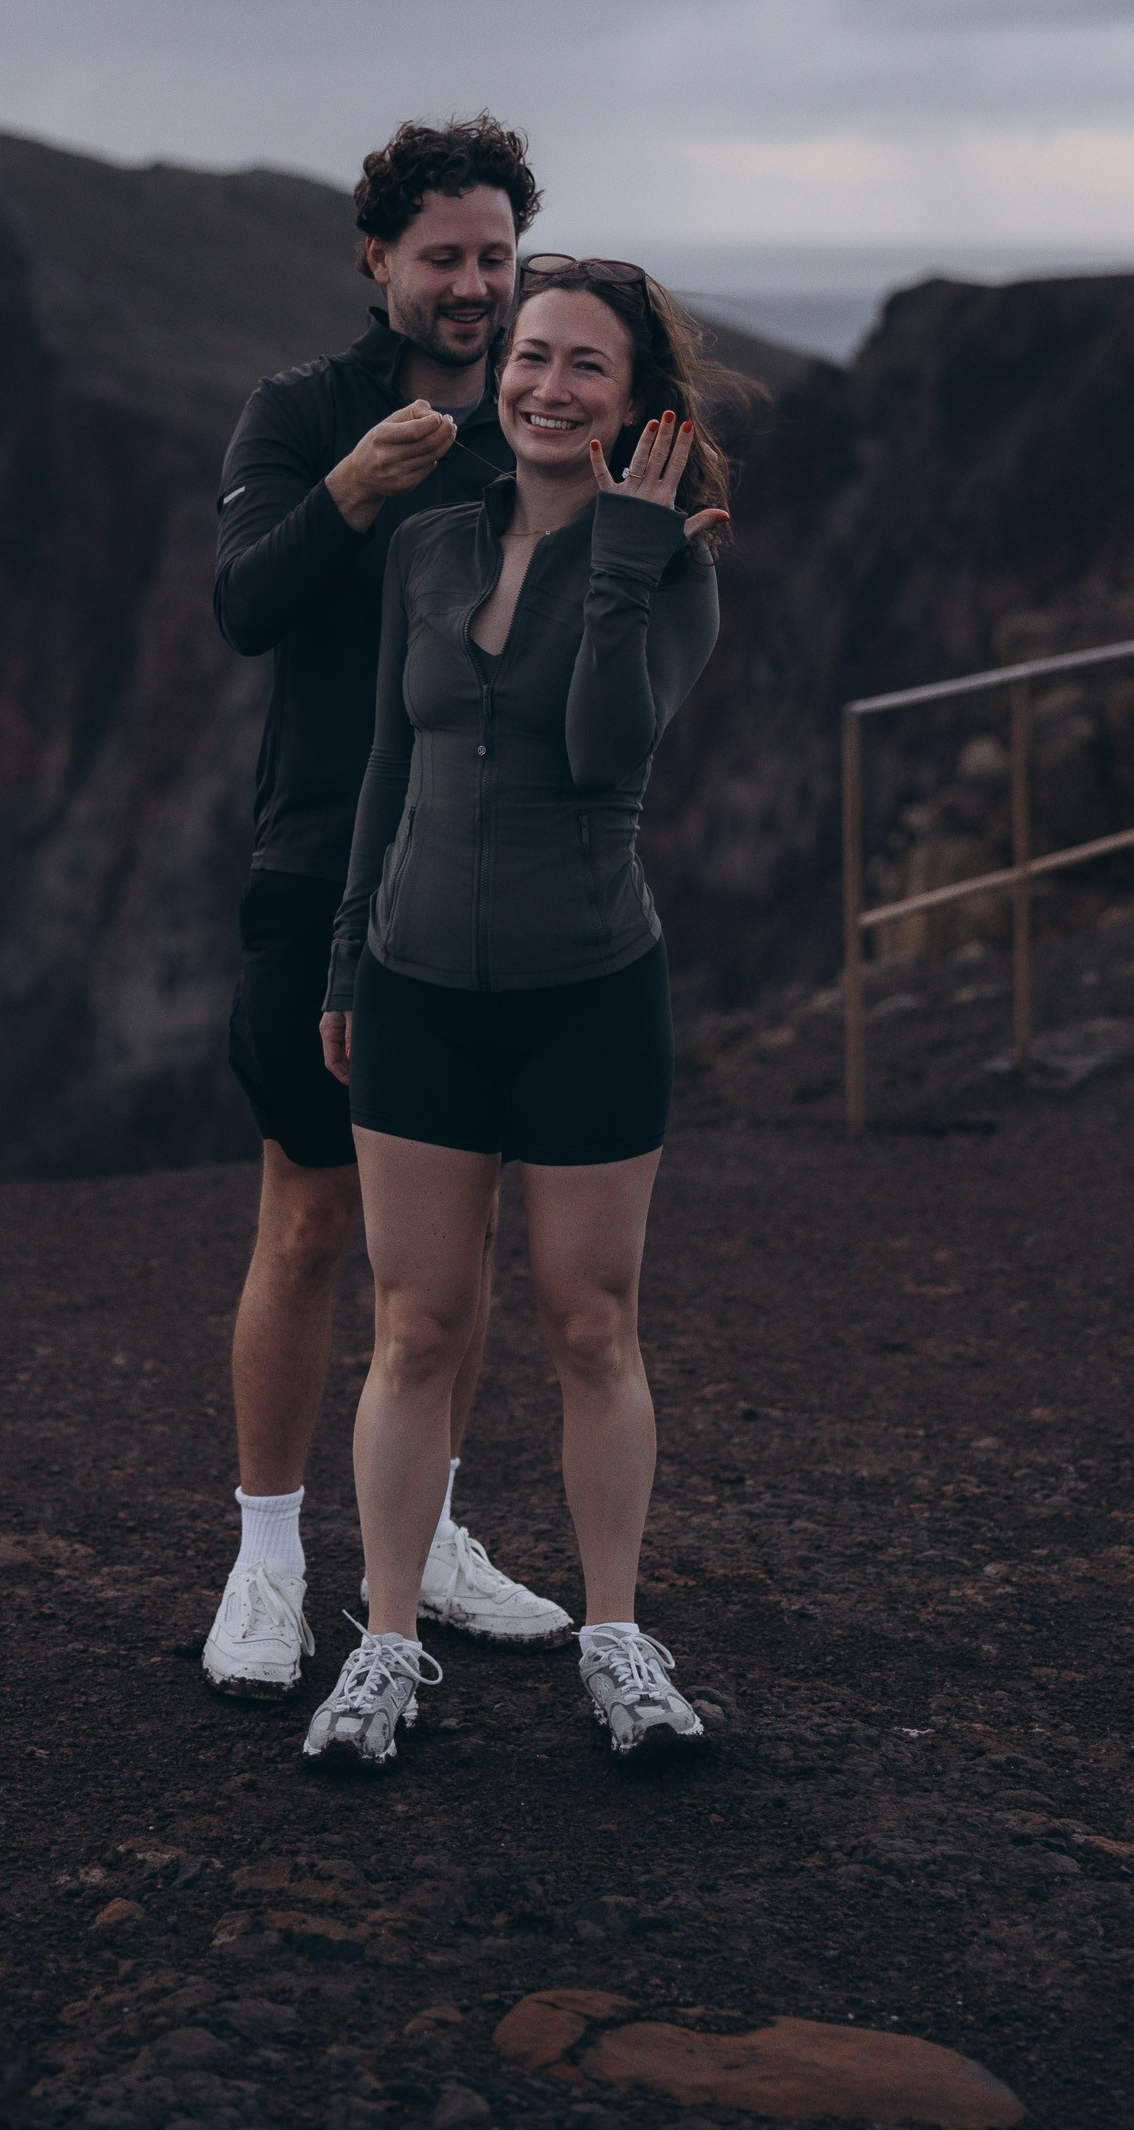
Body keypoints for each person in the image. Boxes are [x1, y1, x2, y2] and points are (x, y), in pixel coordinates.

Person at [301, 255, 737, 1767]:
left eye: (585, 366)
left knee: (590, 1325)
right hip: (415, 995)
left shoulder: (673, 569)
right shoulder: (429, 545)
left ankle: (616, 1640)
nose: (547, 386)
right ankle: (386, 1644)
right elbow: (387, 765)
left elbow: (608, 750)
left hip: (589, 1000)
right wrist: (347, 960)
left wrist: (622, 557)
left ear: (637, 403)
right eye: (530, 356)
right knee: (415, 1327)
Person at [202, 117, 574, 1696]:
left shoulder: (539, 426)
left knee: (454, 1250)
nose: (475, 286)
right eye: (445, 258)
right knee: (306, 1222)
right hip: (317, 867)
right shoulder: (304, 414)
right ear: (379, 260)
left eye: (497, 257)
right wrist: (353, 491)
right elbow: (246, 606)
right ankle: (268, 1564)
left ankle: (426, 1545)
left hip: (482, 880)